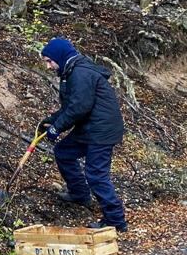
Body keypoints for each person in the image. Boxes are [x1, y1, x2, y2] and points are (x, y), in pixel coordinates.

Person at [39, 37, 127, 232]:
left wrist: (57, 128)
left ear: (59, 57)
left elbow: (79, 107)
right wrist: (51, 121)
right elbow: (71, 106)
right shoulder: (71, 71)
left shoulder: (80, 73)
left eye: (48, 61)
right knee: (63, 152)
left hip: (101, 131)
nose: (48, 66)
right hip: (90, 128)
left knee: (96, 174)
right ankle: (80, 194)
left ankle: (115, 220)